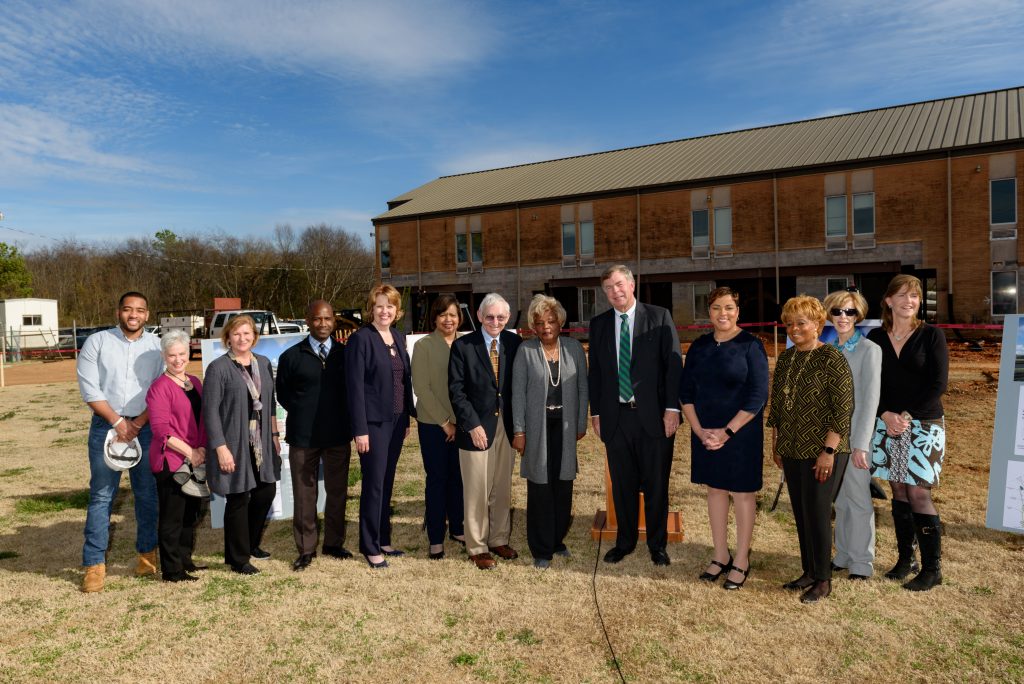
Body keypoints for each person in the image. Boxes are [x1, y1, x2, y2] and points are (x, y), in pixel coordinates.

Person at [588, 265, 682, 567]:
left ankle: (657, 544)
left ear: (631, 284)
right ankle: (624, 541)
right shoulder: (599, 324)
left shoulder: (658, 317)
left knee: (656, 484)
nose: (614, 292)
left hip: (653, 416)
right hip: (616, 419)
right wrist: (597, 413)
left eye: (618, 285)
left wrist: (672, 409)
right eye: (608, 288)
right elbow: (597, 374)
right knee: (622, 484)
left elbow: (672, 366)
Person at [679, 286, 768, 590]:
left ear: (738, 311)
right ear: (709, 312)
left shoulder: (750, 346)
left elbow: (758, 396)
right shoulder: (700, 347)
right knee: (715, 489)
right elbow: (686, 393)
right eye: (717, 308)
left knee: (742, 493)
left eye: (729, 307)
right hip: (705, 433)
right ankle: (720, 554)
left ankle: (741, 560)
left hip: (740, 434)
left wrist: (727, 432)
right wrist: (699, 430)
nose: (723, 314)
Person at [766, 295, 854, 604]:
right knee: (802, 513)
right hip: (791, 448)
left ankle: (823, 580)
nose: (794, 329)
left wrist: (828, 451)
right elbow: (777, 406)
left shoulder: (832, 358)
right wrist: (775, 444)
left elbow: (843, 409)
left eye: (801, 323)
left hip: (824, 450)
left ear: (818, 324)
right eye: (789, 324)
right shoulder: (787, 359)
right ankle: (808, 570)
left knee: (817, 512)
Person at [76, 291, 164, 592]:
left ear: (147, 314)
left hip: (145, 426)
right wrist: (118, 423)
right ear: (119, 312)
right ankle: (94, 565)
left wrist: (137, 423)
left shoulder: (158, 347)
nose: (133, 315)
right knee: (102, 495)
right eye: (128, 309)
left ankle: (147, 555)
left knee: (147, 495)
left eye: (140, 310)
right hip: (106, 425)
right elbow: (90, 390)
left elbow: (163, 390)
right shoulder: (97, 343)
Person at [867, 274, 948, 592]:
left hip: (924, 425)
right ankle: (906, 560)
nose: (908, 301)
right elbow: (871, 384)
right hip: (888, 423)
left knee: (918, 493)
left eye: (914, 296)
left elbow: (938, 384)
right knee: (899, 491)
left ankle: (932, 568)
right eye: (901, 295)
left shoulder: (932, 336)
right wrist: (885, 413)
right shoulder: (875, 337)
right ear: (888, 300)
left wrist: (907, 416)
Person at [511, 294, 589, 570]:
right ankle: (541, 548)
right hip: (537, 429)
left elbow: (582, 388)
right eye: (540, 322)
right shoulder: (526, 351)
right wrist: (519, 430)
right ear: (533, 325)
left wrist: (581, 423)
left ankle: (557, 540)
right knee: (541, 487)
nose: (546, 327)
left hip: (566, 429)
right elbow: (517, 394)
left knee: (563, 484)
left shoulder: (574, 349)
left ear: (560, 322)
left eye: (551, 321)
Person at [276, 300, 354, 572]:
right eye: (317, 319)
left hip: (338, 435)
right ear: (307, 320)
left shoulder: (345, 355)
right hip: (303, 437)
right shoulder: (291, 356)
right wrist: (305, 413)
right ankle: (306, 549)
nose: (323, 324)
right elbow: (284, 394)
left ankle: (333, 543)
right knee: (304, 494)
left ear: (334, 321)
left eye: (328, 319)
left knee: (337, 492)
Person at [449, 293, 522, 570]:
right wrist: (472, 424)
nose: (495, 321)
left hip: (506, 425)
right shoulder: (463, 346)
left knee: (502, 487)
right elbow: (456, 391)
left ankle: (499, 538)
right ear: (479, 316)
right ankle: (477, 546)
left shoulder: (515, 343)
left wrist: (520, 427)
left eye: (501, 317)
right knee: (477, 491)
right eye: (490, 316)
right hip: (475, 429)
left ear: (507, 318)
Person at [204, 315, 281, 575]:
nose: (242, 338)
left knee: (265, 492)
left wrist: (273, 436)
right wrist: (220, 447)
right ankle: (237, 558)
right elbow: (210, 412)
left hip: (261, 443)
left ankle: (249, 544)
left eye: (247, 334)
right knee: (238, 498)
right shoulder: (219, 368)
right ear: (228, 337)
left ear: (254, 337)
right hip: (233, 443)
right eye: (237, 334)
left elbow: (269, 402)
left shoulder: (263, 363)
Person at [346, 285, 414, 569]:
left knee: (387, 482)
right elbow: (355, 388)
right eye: (379, 306)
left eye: (390, 306)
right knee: (373, 485)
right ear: (371, 309)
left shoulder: (397, 336)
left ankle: (384, 538)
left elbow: (403, 381)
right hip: (373, 424)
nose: (385, 311)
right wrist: (360, 429)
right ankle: (370, 545)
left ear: (397, 311)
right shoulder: (361, 339)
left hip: (397, 421)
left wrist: (408, 416)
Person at [824, 288, 881, 582]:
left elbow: (871, 401)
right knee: (842, 501)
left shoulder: (870, 351)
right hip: (833, 441)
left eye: (849, 312)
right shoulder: (829, 350)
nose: (843, 317)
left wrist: (861, 445)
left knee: (858, 500)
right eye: (837, 311)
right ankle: (843, 554)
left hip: (857, 440)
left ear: (858, 315)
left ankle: (862, 563)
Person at [146, 329, 208, 582]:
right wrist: (190, 452)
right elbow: (161, 431)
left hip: (196, 457)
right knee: (173, 516)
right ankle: (172, 570)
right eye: (172, 355)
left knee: (190, 514)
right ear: (164, 356)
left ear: (189, 354)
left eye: (182, 354)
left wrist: (202, 449)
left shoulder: (195, 382)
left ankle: (185, 560)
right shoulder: (159, 388)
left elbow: (203, 420)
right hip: (171, 461)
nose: (178, 359)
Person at [411, 294, 465, 560]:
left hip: (463, 424)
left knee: (459, 479)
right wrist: (445, 423)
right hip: (434, 425)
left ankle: (458, 528)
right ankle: (435, 537)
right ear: (435, 318)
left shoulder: (466, 345)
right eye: (443, 314)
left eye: (453, 315)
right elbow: (422, 388)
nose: (448, 319)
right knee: (437, 480)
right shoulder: (424, 346)